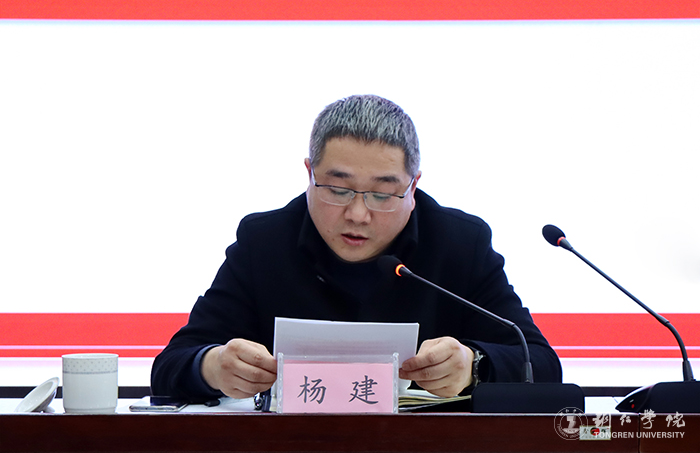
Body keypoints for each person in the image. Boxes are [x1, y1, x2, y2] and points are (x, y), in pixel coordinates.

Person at [151, 95, 562, 401]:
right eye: (338, 189)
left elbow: (543, 365)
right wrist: (212, 366)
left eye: (383, 194)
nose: (358, 214)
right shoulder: (264, 241)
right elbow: (170, 365)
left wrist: (474, 365)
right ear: (309, 174)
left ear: (413, 186)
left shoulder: (459, 242)